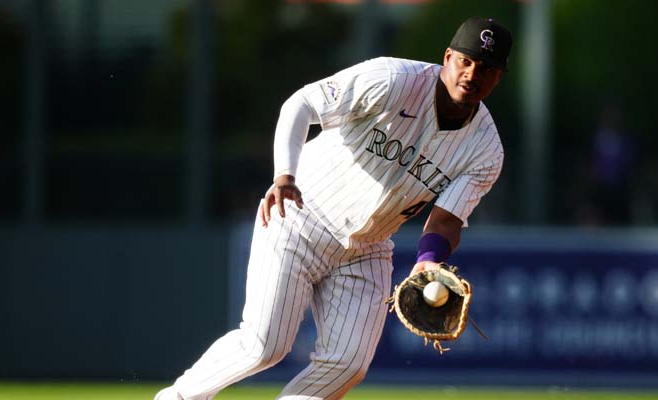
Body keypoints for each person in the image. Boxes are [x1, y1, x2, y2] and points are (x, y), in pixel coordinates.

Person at [156, 16, 512, 400]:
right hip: (300, 214)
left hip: (368, 248)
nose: (473, 73)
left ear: (498, 78)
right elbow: (302, 104)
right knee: (264, 345)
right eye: (466, 60)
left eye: (487, 67)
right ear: (447, 57)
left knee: (348, 363)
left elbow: (446, 219)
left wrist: (428, 260)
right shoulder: (393, 79)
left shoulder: (486, 150)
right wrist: (284, 176)